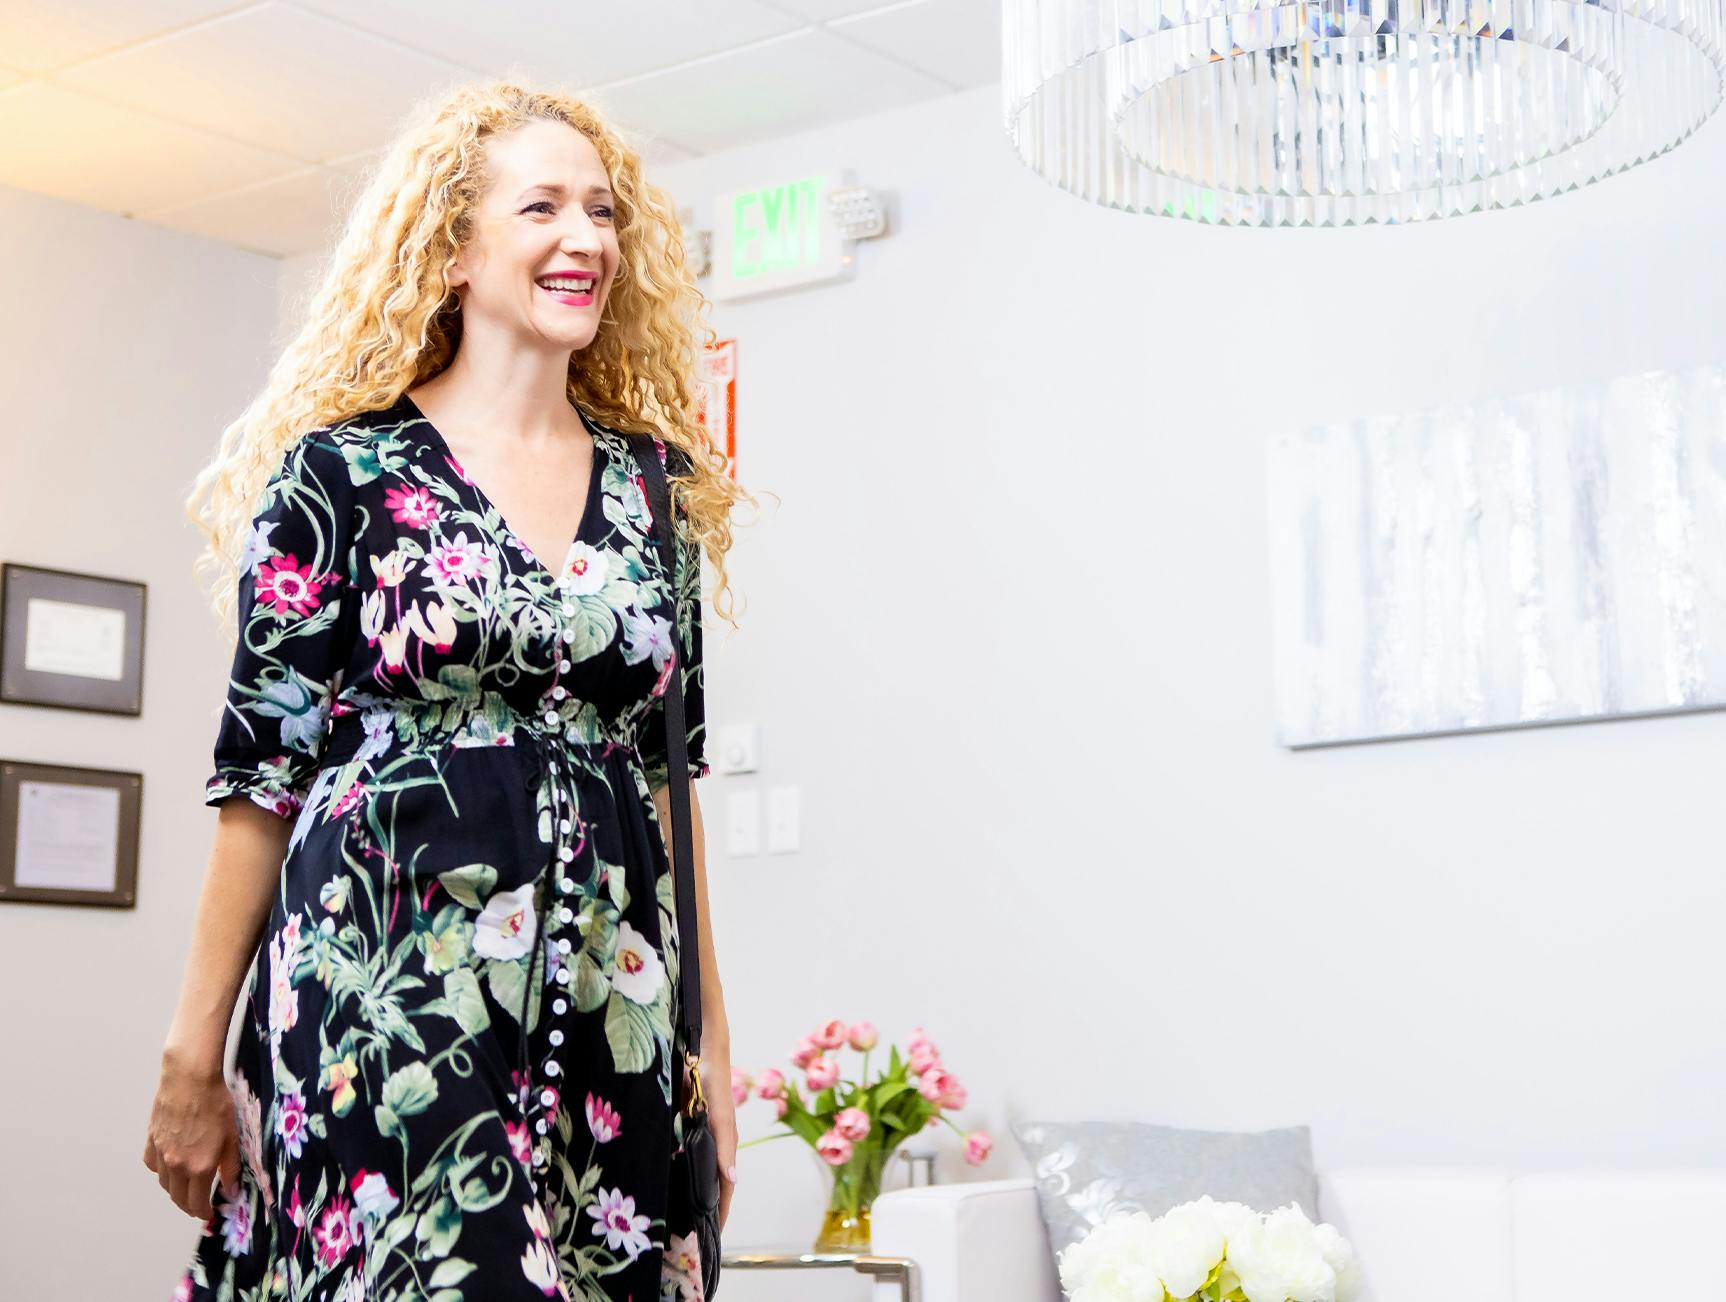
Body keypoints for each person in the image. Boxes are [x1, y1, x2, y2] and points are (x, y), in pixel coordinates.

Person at [144, 79, 754, 1302]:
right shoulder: (342, 472)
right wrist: (190, 1057)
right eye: (541, 207)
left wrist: (710, 1053)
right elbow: (261, 778)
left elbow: (666, 779)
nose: (584, 238)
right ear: (456, 249)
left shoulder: (654, 491)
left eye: (601, 211)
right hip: (387, 981)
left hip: (609, 987)